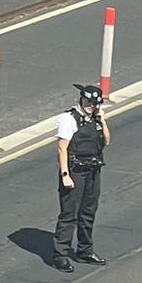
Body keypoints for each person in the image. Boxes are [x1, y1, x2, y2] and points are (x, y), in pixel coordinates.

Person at [52, 84, 110, 272]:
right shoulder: (69, 119)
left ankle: (85, 250)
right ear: (81, 99)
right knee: (69, 214)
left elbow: (106, 141)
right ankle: (60, 254)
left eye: (94, 104)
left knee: (88, 212)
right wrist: (65, 175)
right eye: (88, 102)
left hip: (93, 170)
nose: (90, 106)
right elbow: (62, 148)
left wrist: (102, 121)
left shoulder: (95, 119)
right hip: (75, 170)